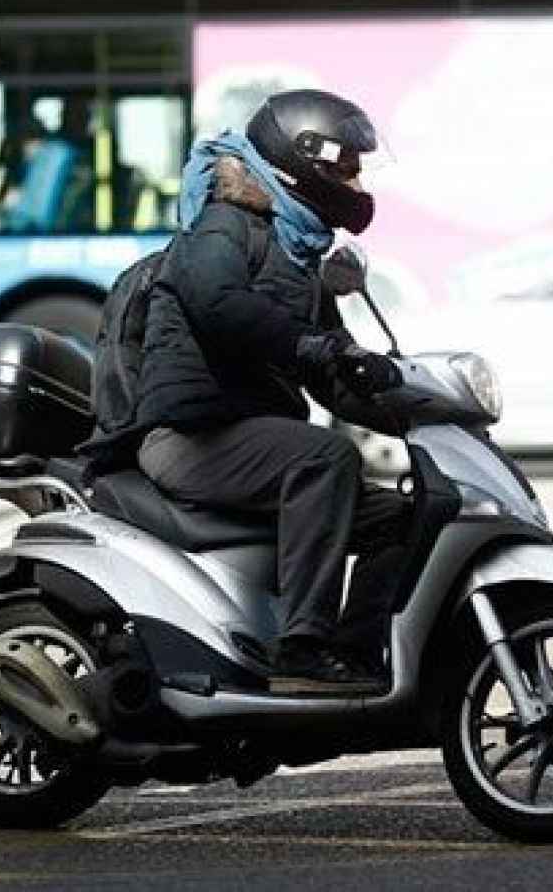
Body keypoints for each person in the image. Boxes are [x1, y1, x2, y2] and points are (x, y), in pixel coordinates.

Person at [132, 89, 411, 695]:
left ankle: (354, 655)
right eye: (348, 169)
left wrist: (411, 407)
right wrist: (312, 347)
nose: (358, 183)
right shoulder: (223, 225)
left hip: (249, 440)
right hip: (191, 436)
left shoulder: (298, 251)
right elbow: (218, 304)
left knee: (410, 515)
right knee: (326, 454)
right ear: (308, 158)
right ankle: (302, 648)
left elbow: (329, 373)